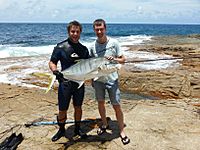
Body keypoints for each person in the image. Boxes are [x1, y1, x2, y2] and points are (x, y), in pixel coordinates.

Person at [89, 19, 130, 145]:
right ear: (94, 30)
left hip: (112, 80)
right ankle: (105, 124)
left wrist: (115, 59)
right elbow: (91, 65)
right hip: (98, 81)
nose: (99, 31)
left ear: (105, 28)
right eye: (97, 29)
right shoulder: (92, 47)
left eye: (101, 29)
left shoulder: (114, 43)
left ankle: (122, 131)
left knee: (116, 105)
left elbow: (123, 60)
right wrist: (91, 79)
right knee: (100, 103)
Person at [49, 20, 90, 142]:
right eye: (73, 31)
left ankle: (77, 128)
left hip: (79, 84)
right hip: (65, 83)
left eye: (77, 31)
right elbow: (52, 62)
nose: (75, 34)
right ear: (68, 32)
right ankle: (61, 130)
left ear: (80, 32)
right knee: (62, 109)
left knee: (78, 107)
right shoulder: (60, 47)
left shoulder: (84, 49)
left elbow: (88, 66)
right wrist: (55, 71)